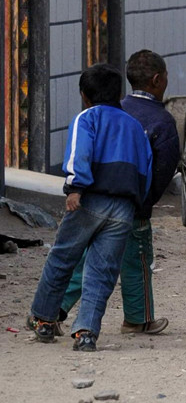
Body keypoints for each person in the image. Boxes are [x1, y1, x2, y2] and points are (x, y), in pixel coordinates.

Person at [26, 64, 152, 352]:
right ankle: (86, 333)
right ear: (119, 94)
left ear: (84, 95)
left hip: (89, 199)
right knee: (102, 271)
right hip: (124, 206)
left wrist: (75, 187)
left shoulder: (86, 118)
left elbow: (78, 154)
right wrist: (138, 203)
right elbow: (146, 168)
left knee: (62, 258)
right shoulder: (134, 126)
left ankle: (43, 320)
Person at [59, 50, 180, 336]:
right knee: (137, 261)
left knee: (84, 260)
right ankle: (138, 318)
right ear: (157, 80)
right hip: (133, 205)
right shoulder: (162, 121)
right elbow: (161, 171)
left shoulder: (110, 111)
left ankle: (52, 311)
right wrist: (144, 203)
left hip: (94, 201)